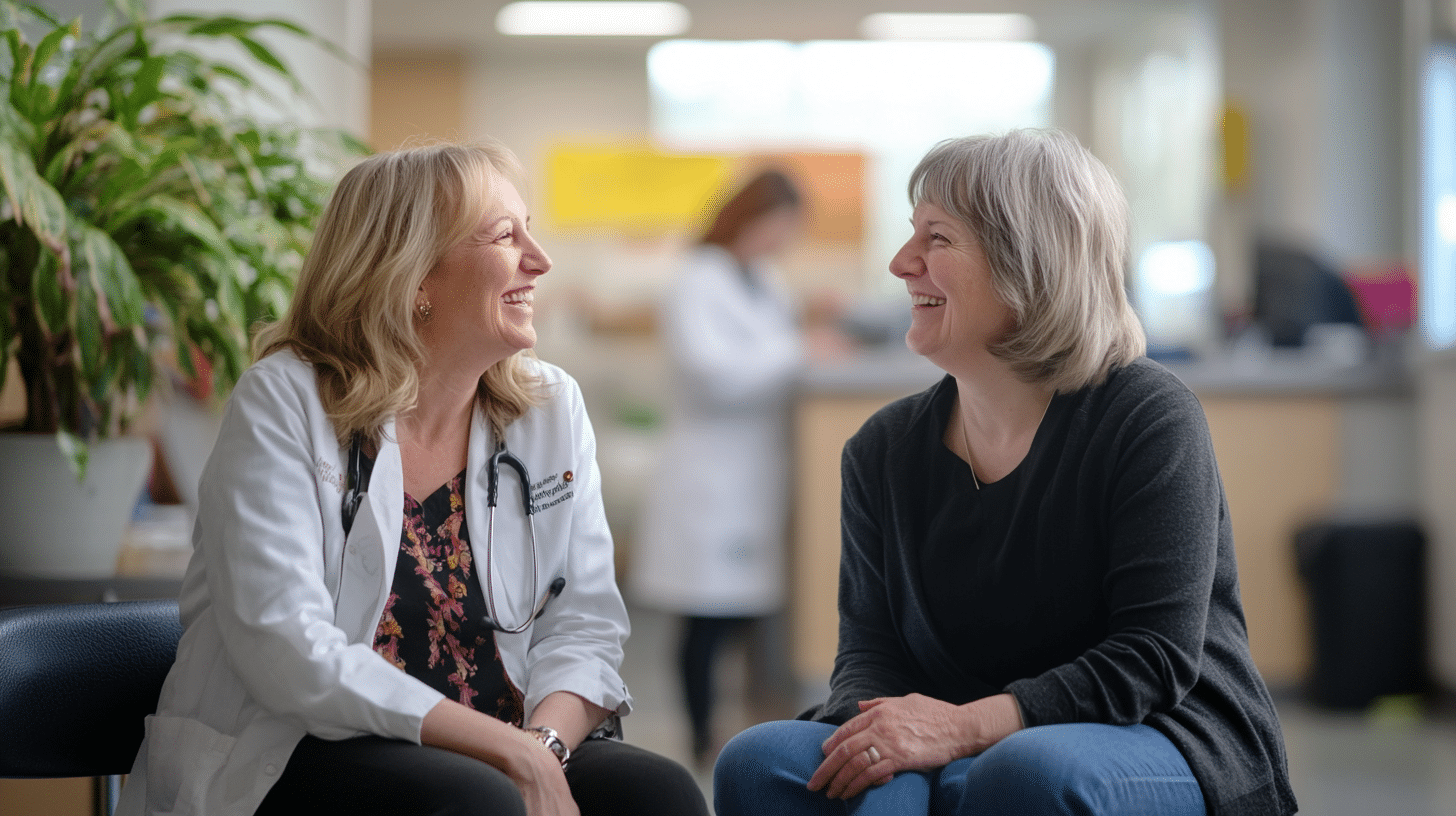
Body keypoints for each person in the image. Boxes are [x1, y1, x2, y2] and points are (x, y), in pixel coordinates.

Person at [714, 129, 1297, 816]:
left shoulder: (1148, 417)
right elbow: (870, 654)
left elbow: (1153, 660)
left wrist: (962, 731)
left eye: (937, 239)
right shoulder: (881, 450)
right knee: (759, 764)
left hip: (1158, 726)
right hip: (971, 736)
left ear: (1029, 263)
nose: (902, 264)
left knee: (1019, 774)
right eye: (912, 235)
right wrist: (887, 748)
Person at [116, 141, 708, 816]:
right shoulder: (286, 401)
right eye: (504, 237)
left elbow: (585, 627)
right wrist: (504, 752)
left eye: (531, 233)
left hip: (504, 737)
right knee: (475, 800)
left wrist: (540, 747)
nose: (539, 262)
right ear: (415, 276)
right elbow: (288, 648)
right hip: (306, 743)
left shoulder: (549, 408)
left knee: (659, 793)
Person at [630, 169, 808, 768]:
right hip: (709, 474)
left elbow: (770, 353)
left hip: (754, 472)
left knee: (746, 613)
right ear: (752, 217)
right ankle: (700, 735)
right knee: (704, 615)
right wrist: (799, 352)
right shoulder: (696, 278)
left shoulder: (764, 280)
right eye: (781, 224)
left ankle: (742, 728)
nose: (786, 238)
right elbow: (710, 374)